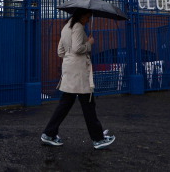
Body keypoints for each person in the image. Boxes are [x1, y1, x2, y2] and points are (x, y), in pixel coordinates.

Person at [41, 8, 116, 150]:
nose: (88, 20)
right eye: (87, 17)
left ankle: (48, 134)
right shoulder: (78, 27)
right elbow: (77, 48)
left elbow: (60, 52)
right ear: (81, 16)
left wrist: (70, 60)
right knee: (88, 104)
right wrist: (89, 43)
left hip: (69, 70)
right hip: (79, 72)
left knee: (65, 104)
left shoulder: (65, 28)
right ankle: (98, 139)